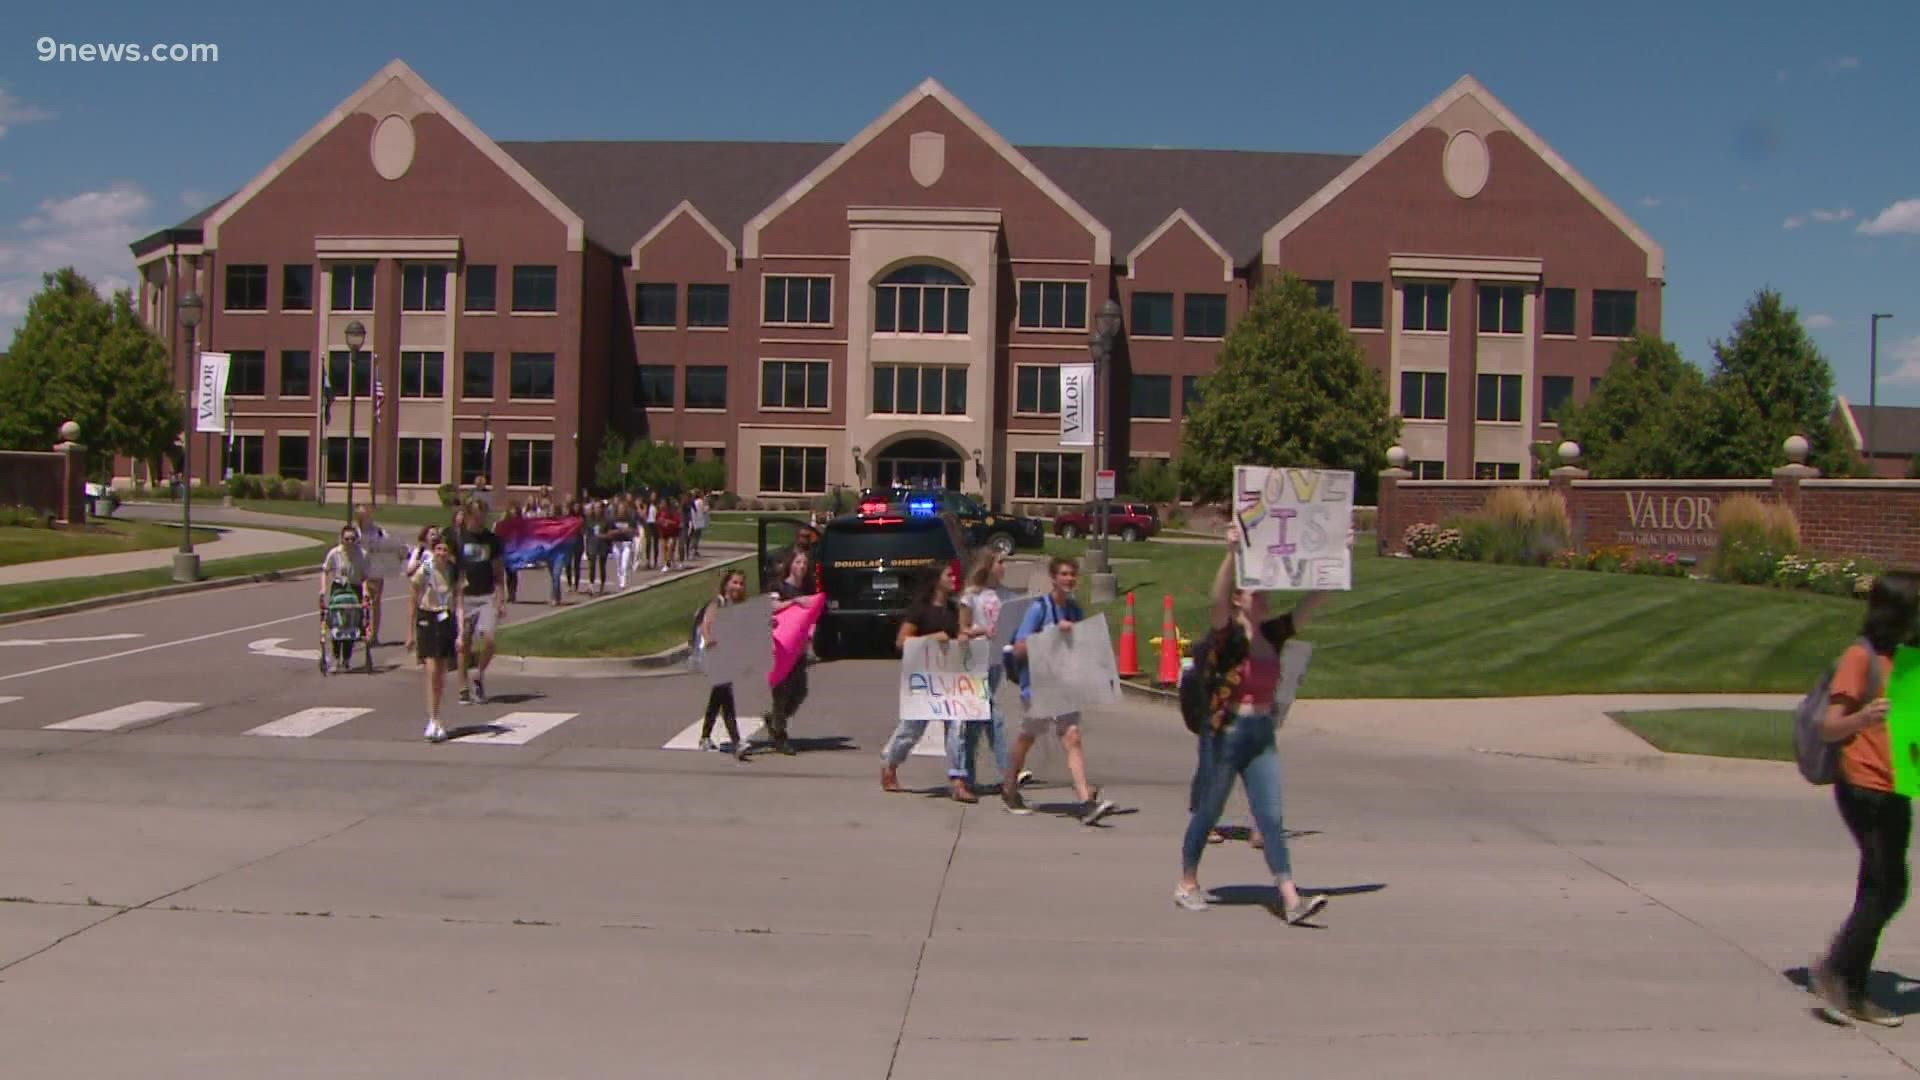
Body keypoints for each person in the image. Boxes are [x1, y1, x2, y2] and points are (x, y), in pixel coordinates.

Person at [1174, 524, 1340, 924]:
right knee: (1209, 811)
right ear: (1239, 599)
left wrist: (1338, 555)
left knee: (1271, 816)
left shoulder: (1274, 633)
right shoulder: (1225, 636)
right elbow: (1216, 598)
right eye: (1256, 592)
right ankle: (1187, 882)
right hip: (1226, 734)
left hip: (1261, 735)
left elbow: (1313, 602)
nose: (1264, 597)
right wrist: (1230, 553)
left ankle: (1289, 896)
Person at [1811, 571, 1920, 1027]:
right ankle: (1837, 970)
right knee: (1889, 887)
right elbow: (1827, 725)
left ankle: (1852, 988)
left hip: (1897, 787)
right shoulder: (1861, 657)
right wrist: (1864, 717)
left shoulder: (1908, 660)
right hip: (1863, 786)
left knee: (1878, 886)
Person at [1003, 556, 1115, 825]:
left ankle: (1085, 800)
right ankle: (1009, 786)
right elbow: (1019, 648)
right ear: (1053, 578)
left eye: (1072, 574)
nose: (1069, 579)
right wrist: (1053, 633)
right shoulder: (1039, 609)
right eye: (1063, 574)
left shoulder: (1075, 610)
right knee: (1027, 736)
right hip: (1038, 687)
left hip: (1065, 686)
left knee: (1072, 736)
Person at [881, 568, 977, 802]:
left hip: (951, 679)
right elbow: (901, 642)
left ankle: (957, 781)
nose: (954, 578)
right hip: (924, 680)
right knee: (912, 729)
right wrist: (932, 638)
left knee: (957, 727)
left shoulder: (956, 610)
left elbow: (963, 637)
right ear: (936, 580)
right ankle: (890, 764)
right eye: (949, 575)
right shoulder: (920, 610)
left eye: (956, 575)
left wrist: (965, 638)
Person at [955, 550, 1031, 795]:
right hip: (974, 664)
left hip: (996, 663)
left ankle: (967, 776)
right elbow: (963, 631)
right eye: (999, 562)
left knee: (978, 723)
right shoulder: (971, 597)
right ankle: (1009, 771)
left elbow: (1016, 623)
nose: (1003, 567)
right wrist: (981, 631)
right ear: (987, 565)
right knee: (992, 716)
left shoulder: (1006, 595)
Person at [449, 501, 507, 705]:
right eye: (476, 515)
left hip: (486, 596)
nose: (480, 519)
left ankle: (478, 674)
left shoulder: (492, 541)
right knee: (463, 643)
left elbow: (498, 572)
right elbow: (452, 570)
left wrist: (500, 598)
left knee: (489, 640)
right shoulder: (458, 539)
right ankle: (463, 687)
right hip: (465, 597)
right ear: (468, 515)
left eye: (483, 514)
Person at [412, 529, 462, 743]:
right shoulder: (426, 568)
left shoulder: (453, 570)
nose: (441, 553)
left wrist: (460, 632)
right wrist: (409, 632)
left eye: (444, 549)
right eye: (438, 549)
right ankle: (432, 718)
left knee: (441, 672)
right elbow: (413, 598)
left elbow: (459, 602)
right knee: (432, 670)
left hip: (446, 618)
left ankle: (437, 716)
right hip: (427, 617)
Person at [695, 570, 751, 760]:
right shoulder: (718, 603)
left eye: (741, 584)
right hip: (716, 656)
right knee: (726, 699)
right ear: (726, 584)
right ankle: (737, 741)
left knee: (717, 698)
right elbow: (705, 624)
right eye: (735, 582)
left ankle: (705, 736)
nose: (738, 587)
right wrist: (709, 640)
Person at [764, 549, 815, 755]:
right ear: (790, 564)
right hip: (780, 648)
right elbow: (772, 606)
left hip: (799, 649)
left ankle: (775, 720)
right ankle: (780, 736)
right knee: (781, 693)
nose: (802, 566)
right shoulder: (778, 587)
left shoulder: (808, 589)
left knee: (800, 691)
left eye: (805, 563)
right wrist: (794, 602)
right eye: (798, 562)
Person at [318, 525, 370, 668]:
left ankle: (346, 657)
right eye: (347, 539)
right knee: (337, 624)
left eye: (353, 539)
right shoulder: (335, 553)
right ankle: (336, 656)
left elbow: (365, 576)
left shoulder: (362, 554)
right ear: (342, 539)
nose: (350, 542)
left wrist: (365, 592)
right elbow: (325, 570)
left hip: (354, 587)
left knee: (351, 625)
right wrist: (323, 589)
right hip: (339, 588)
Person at [353, 504, 390, 644]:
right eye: (360, 515)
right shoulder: (354, 532)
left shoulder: (379, 532)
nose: (364, 518)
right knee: (357, 600)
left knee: (375, 602)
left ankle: (374, 634)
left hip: (375, 570)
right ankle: (358, 630)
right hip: (357, 570)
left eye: (366, 515)